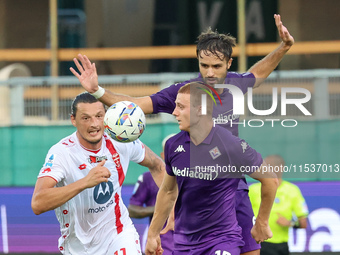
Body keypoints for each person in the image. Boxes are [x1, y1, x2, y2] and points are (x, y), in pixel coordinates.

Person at [70, 14, 293, 255]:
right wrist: (97, 91)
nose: (209, 72)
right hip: (194, 196)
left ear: (229, 64)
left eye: (216, 66)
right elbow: (136, 104)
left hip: (232, 189)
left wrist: (284, 47)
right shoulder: (183, 94)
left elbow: (257, 74)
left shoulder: (234, 87)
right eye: (204, 65)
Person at [145, 82, 278, 255]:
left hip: (222, 240)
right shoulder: (173, 145)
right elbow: (169, 192)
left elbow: (270, 179)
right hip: (185, 243)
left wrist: (262, 221)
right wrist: (153, 234)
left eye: (180, 107)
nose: (174, 112)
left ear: (200, 110)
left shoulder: (230, 145)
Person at [31, 92, 165, 255]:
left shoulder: (120, 140)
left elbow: (158, 166)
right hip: (77, 246)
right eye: (86, 118)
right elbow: (38, 203)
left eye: (99, 116)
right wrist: (85, 182)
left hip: (118, 235)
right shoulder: (62, 153)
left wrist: (172, 212)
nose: (94, 124)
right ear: (73, 120)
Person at [249, 155, 309, 255]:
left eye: (268, 166)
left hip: (281, 246)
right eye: (263, 166)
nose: (264, 169)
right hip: (258, 243)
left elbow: (303, 224)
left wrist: (290, 223)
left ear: (280, 168)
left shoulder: (292, 191)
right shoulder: (253, 190)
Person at [128, 134, 176, 255]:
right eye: (173, 151)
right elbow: (132, 209)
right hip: (161, 246)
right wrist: (162, 208)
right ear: (163, 156)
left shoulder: (199, 177)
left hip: (192, 244)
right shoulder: (148, 178)